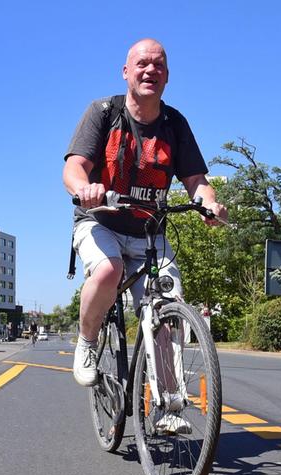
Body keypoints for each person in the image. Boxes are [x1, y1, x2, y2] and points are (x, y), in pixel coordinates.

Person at [63, 38, 227, 433]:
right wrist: (84, 187)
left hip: (151, 234)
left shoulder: (175, 124)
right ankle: (87, 343)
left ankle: (169, 405)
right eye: (142, 64)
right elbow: (73, 168)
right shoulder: (104, 113)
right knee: (107, 271)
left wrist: (209, 204)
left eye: (158, 65)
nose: (150, 70)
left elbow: (196, 182)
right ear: (126, 72)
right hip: (100, 221)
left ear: (167, 76)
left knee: (168, 309)